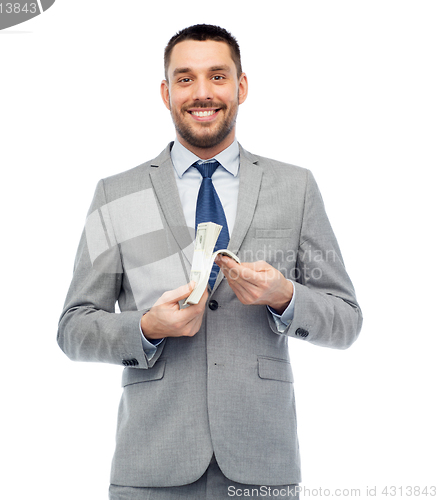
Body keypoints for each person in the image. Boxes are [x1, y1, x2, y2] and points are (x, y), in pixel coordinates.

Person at [58, 24, 362, 500]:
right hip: (151, 465)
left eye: (218, 76)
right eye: (185, 79)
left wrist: (286, 297)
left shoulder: (295, 188)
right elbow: (73, 328)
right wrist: (147, 328)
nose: (203, 93)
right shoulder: (118, 194)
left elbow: (346, 321)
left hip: (262, 466)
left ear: (241, 86)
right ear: (165, 92)